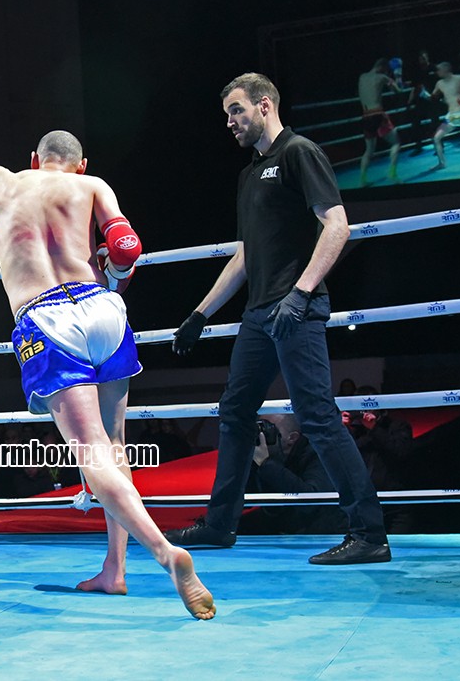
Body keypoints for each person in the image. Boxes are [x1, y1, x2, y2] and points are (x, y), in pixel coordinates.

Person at [0, 125, 215, 619]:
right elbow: (125, 247)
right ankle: (114, 571)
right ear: (81, 164)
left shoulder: (4, 180)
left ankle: (165, 554)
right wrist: (116, 272)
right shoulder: (92, 186)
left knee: (92, 454)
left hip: (47, 318)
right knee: (114, 450)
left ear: (34, 158)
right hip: (103, 310)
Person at [165, 72, 390, 565]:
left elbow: (337, 225)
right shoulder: (250, 172)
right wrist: (200, 314)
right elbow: (246, 256)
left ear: (264, 106)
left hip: (297, 309)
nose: (230, 122)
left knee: (318, 417)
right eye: (227, 114)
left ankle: (370, 533)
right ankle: (220, 524)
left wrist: (302, 292)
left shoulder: (298, 152)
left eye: (237, 111)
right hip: (259, 313)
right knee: (235, 412)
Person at [239, 414, 347, 536]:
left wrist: (266, 464)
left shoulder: (318, 453)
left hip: (320, 531)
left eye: (269, 427)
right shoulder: (262, 454)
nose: (262, 433)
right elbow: (244, 500)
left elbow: (312, 502)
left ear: (292, 438)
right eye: (260, 426)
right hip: (280, 526)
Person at [343, 386, 417, 532]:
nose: (365, 412)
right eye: (360, 407)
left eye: (369, 406)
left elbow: (401, 452)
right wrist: (343, 431)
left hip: (395, 502)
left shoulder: (397, 426)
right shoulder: (353, 431)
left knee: (400, 547)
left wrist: (374, 428)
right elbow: (341, 459)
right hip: (364, 503)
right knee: (365, 546)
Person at [357, 58, 403, 186]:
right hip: (378, 115)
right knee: (396, 143)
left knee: (369, 150)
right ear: (383, 68)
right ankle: (392, 173)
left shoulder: (362, 77)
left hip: (365, 116)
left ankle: (362, 180)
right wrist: (397, 76)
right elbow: (398, 91)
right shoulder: (382, 77)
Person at [407, 50, 438, 155]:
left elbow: (440, 83)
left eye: (424, 58)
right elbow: (415, 87)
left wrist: (436, 95)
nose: (422, 60)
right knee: (415, 123)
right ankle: (418, 146)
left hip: (433, 99)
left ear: (428, 58)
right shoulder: (417, 71)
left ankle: (438, 146)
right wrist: (410, 101)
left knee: (434, 123)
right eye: (420, 58)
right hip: (420, 100)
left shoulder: (434, 68)